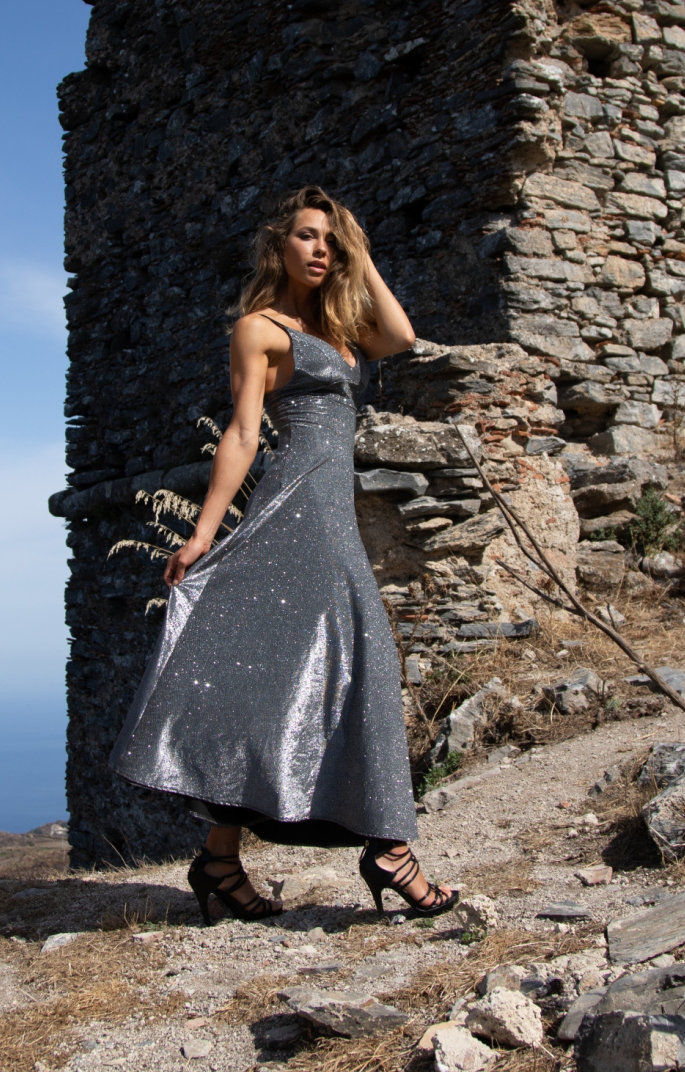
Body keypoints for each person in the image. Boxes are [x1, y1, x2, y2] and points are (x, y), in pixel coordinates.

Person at [109, 187, 459, 926]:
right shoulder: (258, 329)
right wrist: (203, 534)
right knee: (359, 656)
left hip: (333, 518)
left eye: (331, 240)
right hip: (292, 513)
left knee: (293, 678)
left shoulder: (343, 329)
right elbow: (242, 434)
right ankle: (390, 850)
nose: (319, 249)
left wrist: (361, 256)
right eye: (306, 235)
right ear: (279, 245)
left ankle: (219, 860)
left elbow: (401, 336)